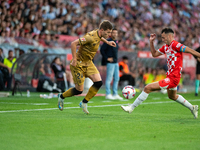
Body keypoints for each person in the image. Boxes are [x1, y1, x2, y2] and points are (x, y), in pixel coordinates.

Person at [121, 28, 199, 119]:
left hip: (174, 77)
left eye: (164, 37)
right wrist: (151, 42)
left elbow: (190, 51)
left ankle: (131, 107)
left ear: (170, 36)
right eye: (162, 38)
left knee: (147, 88)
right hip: (170, 76)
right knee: (172, 96)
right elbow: (154, 54)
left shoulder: (176, 45)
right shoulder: (166, 47)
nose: (162, 40)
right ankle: (192, 108)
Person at [57, 20, 116, 114]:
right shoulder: (89, 37)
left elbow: (99, 37)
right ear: (102, 30)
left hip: (88, 63)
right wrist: (75, 59)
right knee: (79, 90)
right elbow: (73, 43)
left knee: (98, 82)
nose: (109, 34)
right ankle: (61, 96)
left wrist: (108, 42)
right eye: (108, 32)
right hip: (78, 64)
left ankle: (84, 102)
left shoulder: (99, 33)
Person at [100, 28, 123, 100]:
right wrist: (107, 58)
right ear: (111, 34)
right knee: (109, 79)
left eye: (116, 33)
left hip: (116, 62)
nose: (115, 34)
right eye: (113, 33)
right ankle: (108, 94)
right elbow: (102, 50)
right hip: (110, 63)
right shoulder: (108, 41)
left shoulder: (116, 41)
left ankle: (115, 94)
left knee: (117, 78)